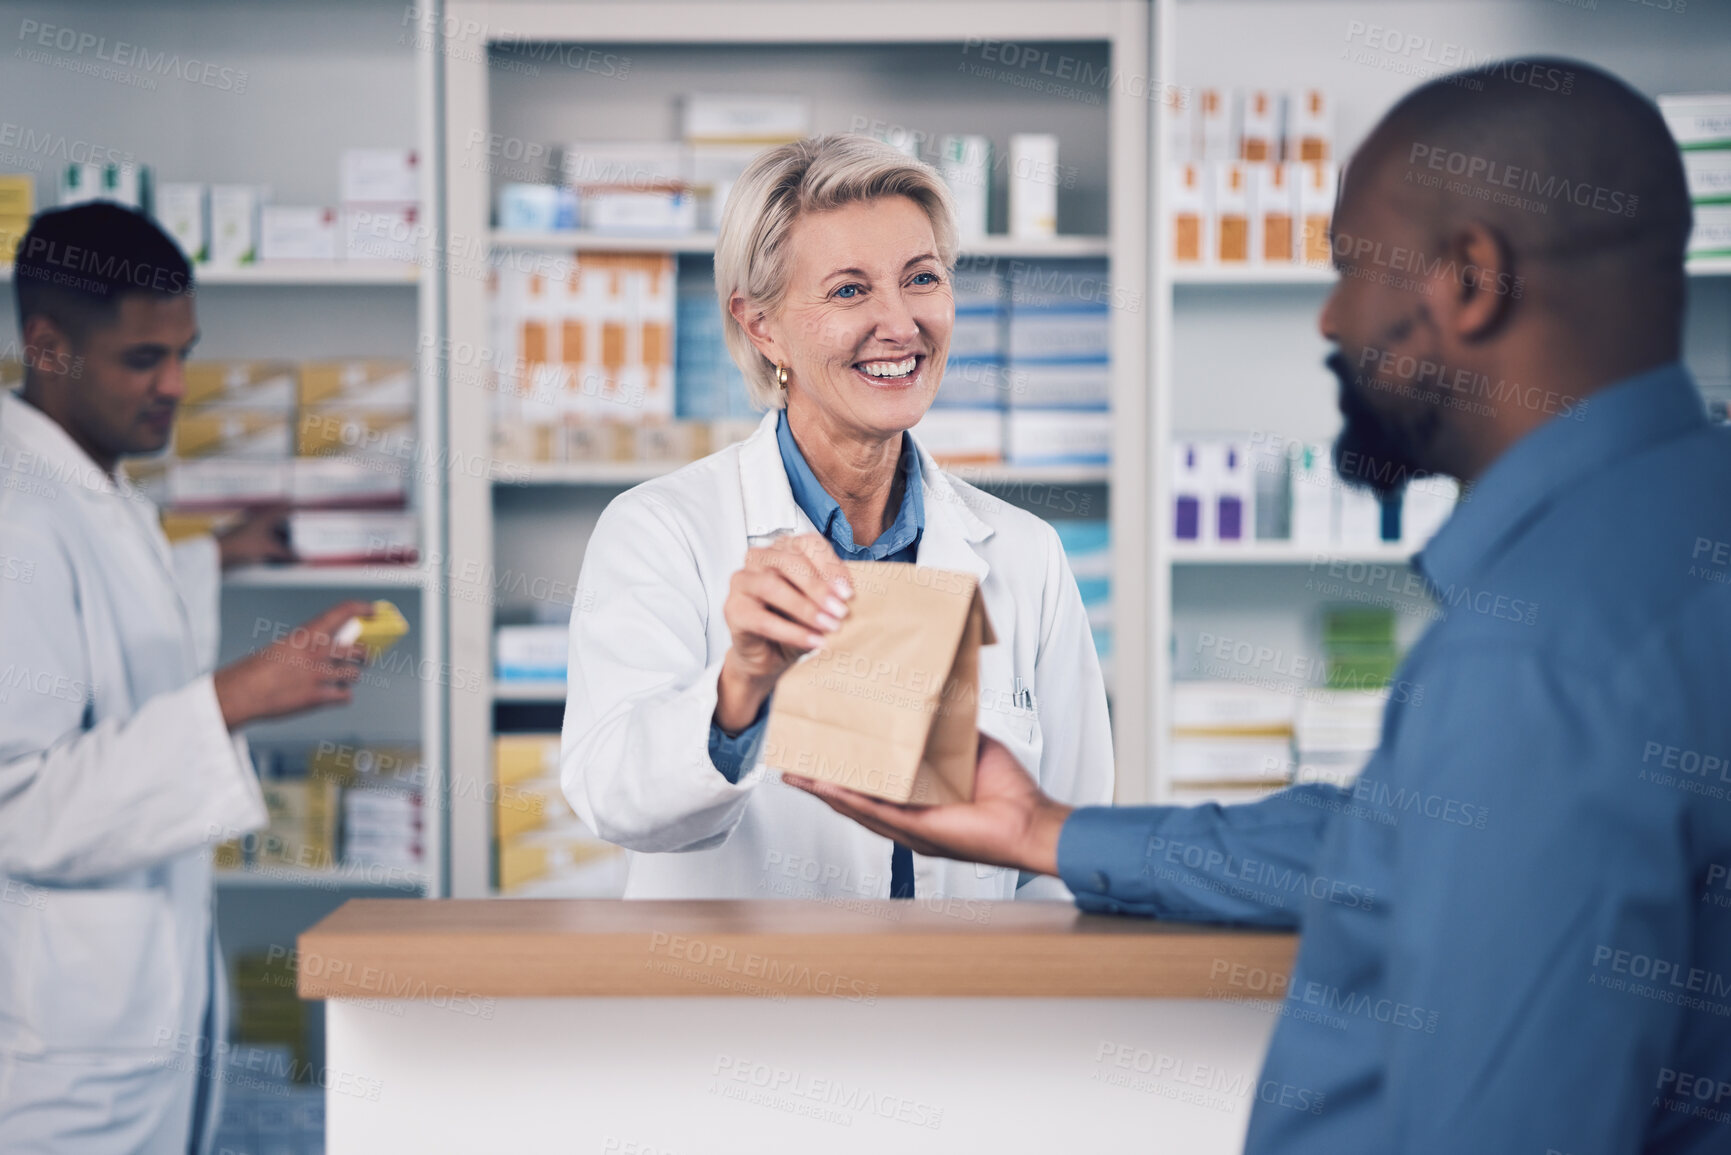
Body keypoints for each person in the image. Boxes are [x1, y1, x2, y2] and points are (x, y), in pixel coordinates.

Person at [793, 60, 1731, 1154]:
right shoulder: (1677, 533)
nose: (1333, 317)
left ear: (1470, 282)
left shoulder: (1538, 661)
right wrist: (1051, 832)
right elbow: (1427, 838)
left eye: (1350, 270)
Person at [562, 134, 1113, 901]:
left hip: (965, 1011)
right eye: (849, 291)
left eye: (921, 278)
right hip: (746, 1012)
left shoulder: (1025, 554)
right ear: (760, 325)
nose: (899, 323)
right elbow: (612, 795)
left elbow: (1066, 852)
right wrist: (740, 686)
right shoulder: (660, 531)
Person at [0, 203, 375, 1153]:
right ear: (47, 346)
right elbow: (20, 805)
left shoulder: (97, 486)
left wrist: (220, 551)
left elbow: (119, 622)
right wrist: (243, 693)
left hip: (126, 1023)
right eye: (142, 360)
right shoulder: (15, 517)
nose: (176, 384)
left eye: (185, 351)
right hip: (56, 1059)